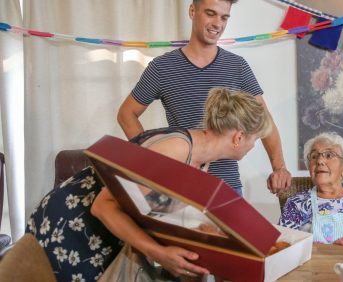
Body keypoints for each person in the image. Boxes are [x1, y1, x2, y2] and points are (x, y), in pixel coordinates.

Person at [26, 88, 272, 281]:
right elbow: (103, 206)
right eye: (255, 140)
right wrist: (159, 254)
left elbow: (155, 209)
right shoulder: (176, 150)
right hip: (72, 225)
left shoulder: (201, 160)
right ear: (239, 137)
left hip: (100, 228)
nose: (253, 147)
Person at [117, 0, 291, 195]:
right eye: (210, 13)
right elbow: (126, 114)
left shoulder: (237, 66)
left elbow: (264, 119)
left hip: (228, 186)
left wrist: (279, 167)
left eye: (224, 17)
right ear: (192, 11)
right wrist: (155, 161)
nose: (218, 23)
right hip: (182, 186)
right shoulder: (161, 68)